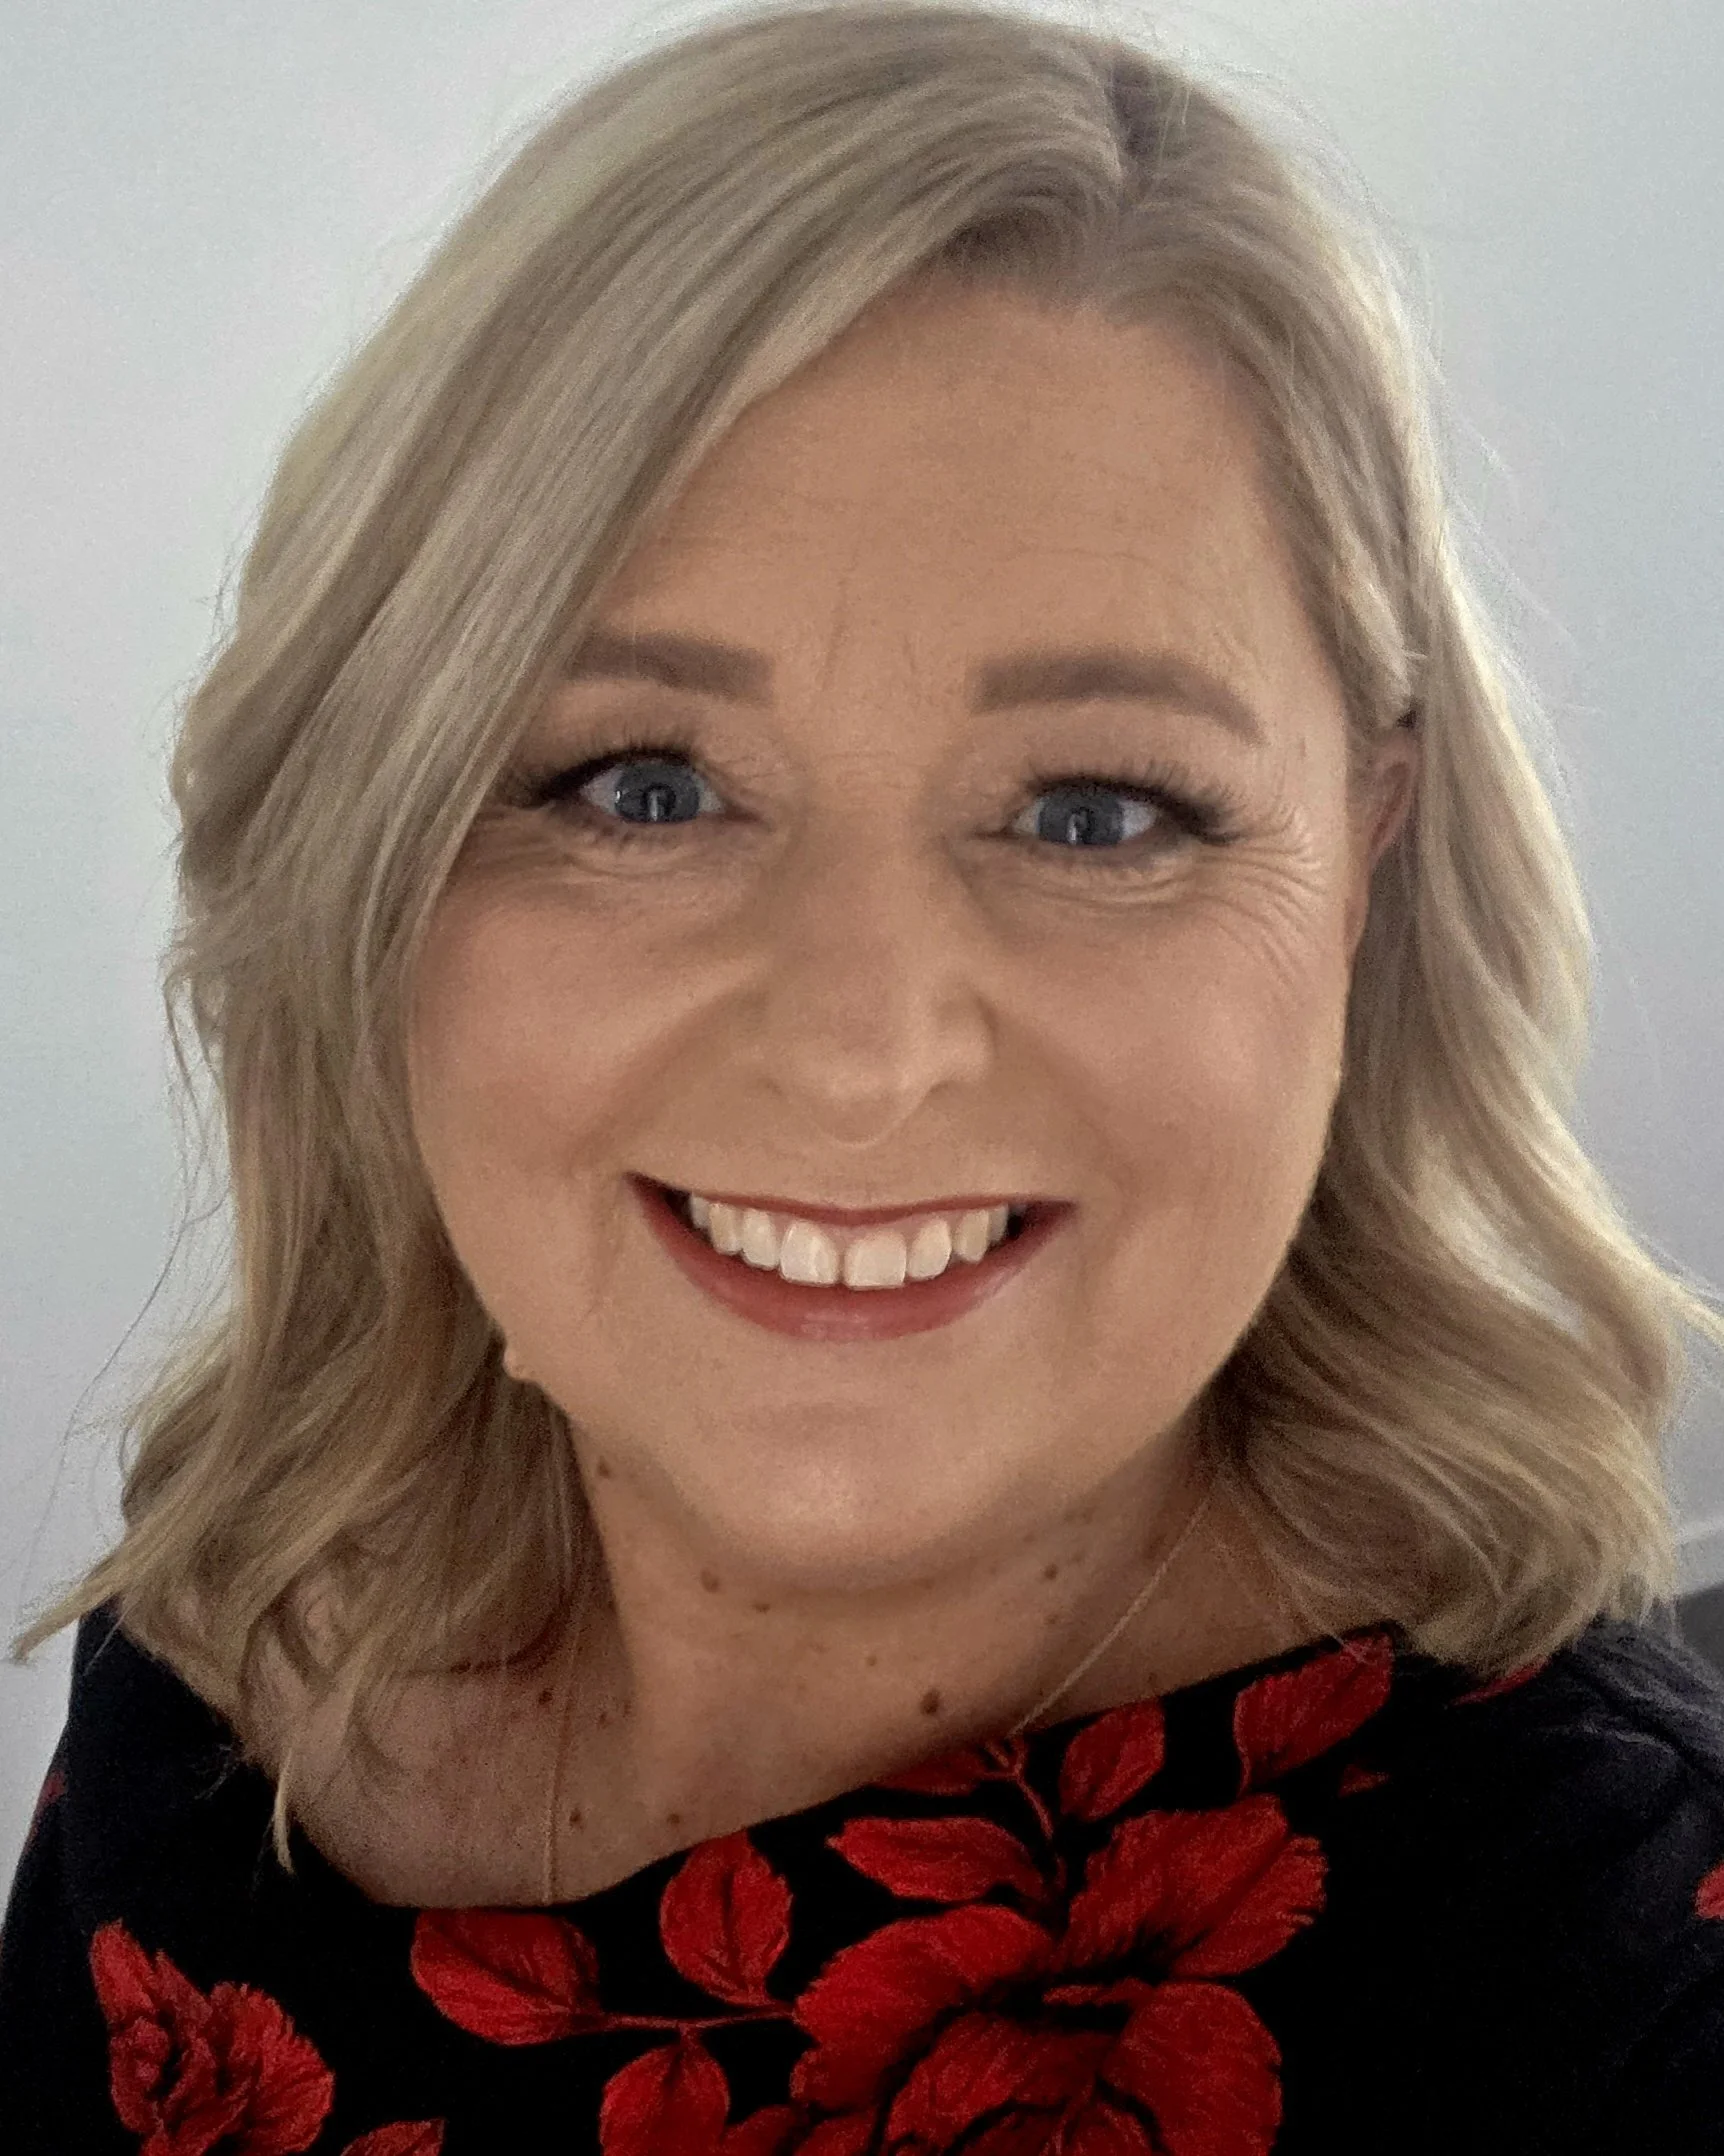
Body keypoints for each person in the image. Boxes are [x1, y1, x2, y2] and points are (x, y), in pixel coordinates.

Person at [5, 1, 1724, 2149]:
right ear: (374, 853)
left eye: (1095, 811)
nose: (857, 1055)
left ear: (1364, 859)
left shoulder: (1610, 1994)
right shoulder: (244, 1601)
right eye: (642, 786)